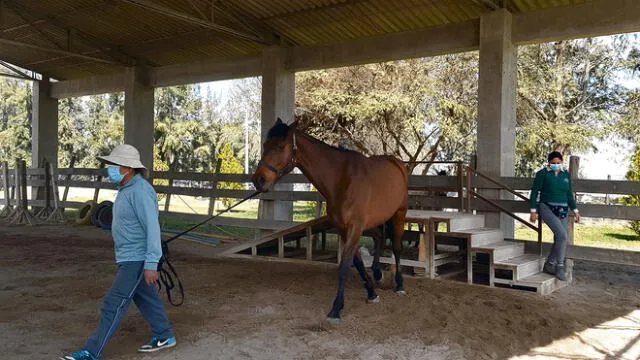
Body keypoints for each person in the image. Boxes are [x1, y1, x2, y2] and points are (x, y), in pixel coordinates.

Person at [61, 144, 176, 360]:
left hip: (137, 257)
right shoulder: (126, 189)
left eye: (115, 164)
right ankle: (165, 335)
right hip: (128, 256)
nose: (110, 168)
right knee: (145, 297)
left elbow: (152, 228)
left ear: (129, 168)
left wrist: (152, 263)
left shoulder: (140, 191)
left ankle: (92, 352)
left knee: (114, 303)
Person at [529, 151, 581, 281]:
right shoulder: (542, 174)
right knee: (562, 236)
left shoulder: (566, 175)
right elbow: (534, 192)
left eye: (558, 163)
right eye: (553, 163)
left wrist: (575, 211)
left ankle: (549, 264)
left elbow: (569, 194)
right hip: (547, 207)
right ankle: (560, 267)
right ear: (549, 163)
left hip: (563, 208)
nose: (556, 165)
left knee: (560, 238)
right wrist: (533, 211)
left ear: (562, 162)